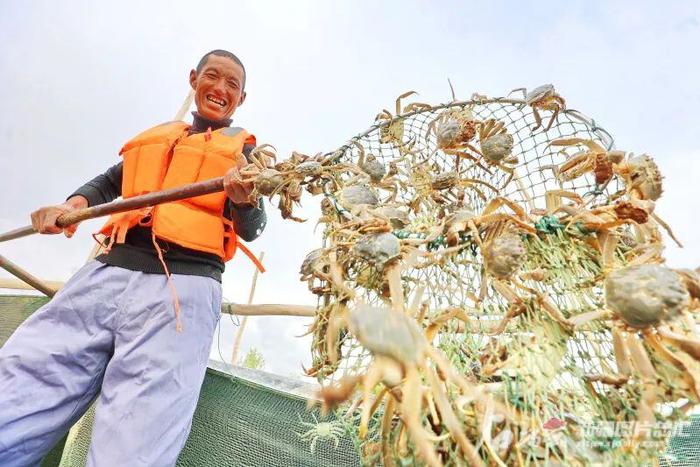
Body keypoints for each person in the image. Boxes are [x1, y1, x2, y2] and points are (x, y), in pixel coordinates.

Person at [0, 49, 266, 466]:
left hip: (181, 291)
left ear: (241, 99)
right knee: (21, 383)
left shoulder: (246, 158)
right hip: (106, 272)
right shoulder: (156, 139)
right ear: (194, 79)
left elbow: (252, 226)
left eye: (232, 85)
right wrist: (71, 204)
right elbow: (109, 182)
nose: (220, 88)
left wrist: (246, 202)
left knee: (136, 438)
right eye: (212, 77)